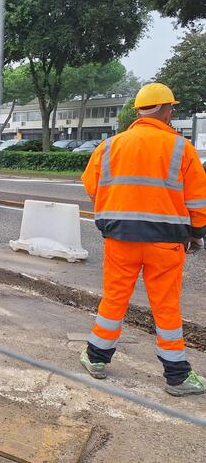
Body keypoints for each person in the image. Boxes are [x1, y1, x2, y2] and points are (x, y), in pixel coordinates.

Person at [80, 82, 206, 396]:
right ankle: (177, 377)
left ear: (138, 111)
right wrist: (196, 234)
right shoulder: (182, 148)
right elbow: (199, 201)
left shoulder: (111, 146)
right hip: (166, 243)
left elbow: (92, 187)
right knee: (166, 307)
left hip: (121, 240)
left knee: (114, 299)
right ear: (166, 109)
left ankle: (96, 359)